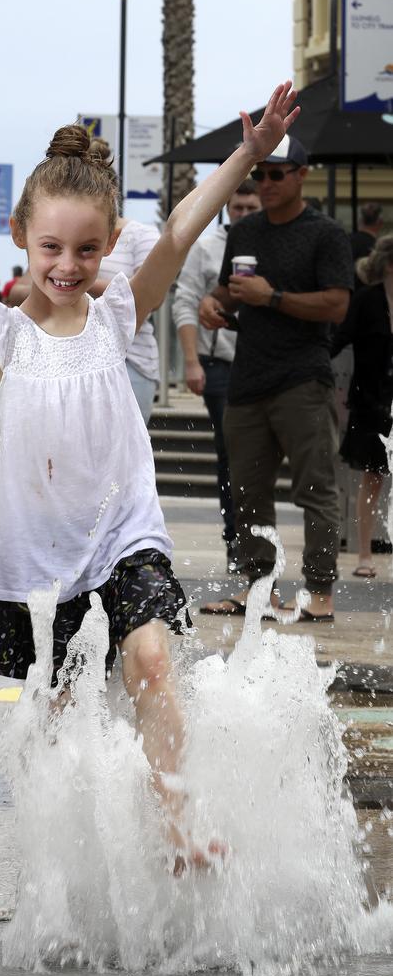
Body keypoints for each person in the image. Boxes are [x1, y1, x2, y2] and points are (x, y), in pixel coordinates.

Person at [0, 78, 299, 864]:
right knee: (54, 717)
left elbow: (182, 230)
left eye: (88, 249)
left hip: (123, 536)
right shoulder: (6, 338)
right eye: (52, 247)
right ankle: (72, 862)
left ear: (111, 240)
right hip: (40, 562)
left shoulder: (119, 312)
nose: (68, 264)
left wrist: (246, 156)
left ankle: (181, 823)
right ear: (22, 238)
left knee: (153, 660)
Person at [198, 135, 353, 621]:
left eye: (275, 174)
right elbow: (229, 290)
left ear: (301, 174)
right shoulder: (244, 233)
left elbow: (337, 304)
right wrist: (213, 303)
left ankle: (320, 593)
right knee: (246, 491)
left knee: (315, 489)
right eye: (258, 175)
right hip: (247, 379)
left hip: (303, 380)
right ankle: (257, 589)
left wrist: (273, 298)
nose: (264, 183)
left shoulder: (325, 234)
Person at [173, 180, 261, 570]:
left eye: (250, 208)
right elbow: (185, 300)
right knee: (232, 453)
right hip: (220, 364)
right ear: (228, 207)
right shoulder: (207, 247)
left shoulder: (272, 242)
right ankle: (236, 542)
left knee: (258, 456)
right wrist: (191, 361)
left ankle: (258, 541)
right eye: (238, 207)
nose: (243, 214)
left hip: (269, 360)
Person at [88, 138, 162, 425]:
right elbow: (22, 289)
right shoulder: (59, 237)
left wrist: (82, 281)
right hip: (71, 358)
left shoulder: (141, 235)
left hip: (130, 362)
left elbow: (152, 298)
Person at [331, 235, 393, 578]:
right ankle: (364, 553)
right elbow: (338, 338)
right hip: (373, 401)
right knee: (372, 478)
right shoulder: (368, 300)